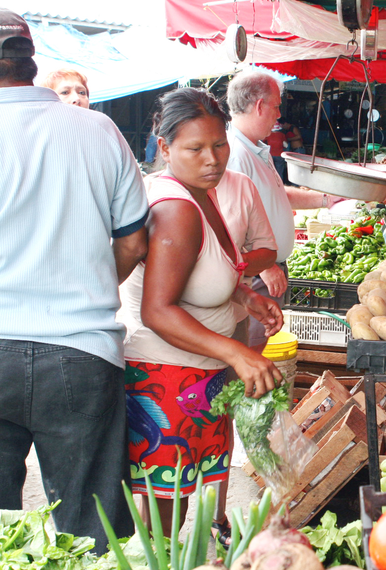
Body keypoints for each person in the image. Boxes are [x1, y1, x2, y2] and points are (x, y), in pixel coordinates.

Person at [0, 8, 148, 553]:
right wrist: (85, 285)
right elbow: (134, 241)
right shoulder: (99, 129)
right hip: (82, 351)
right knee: (91, 537)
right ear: (31, 61)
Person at [117, 87, 284, 534]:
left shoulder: (202, 194)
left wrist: (246, 297)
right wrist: (236, 353)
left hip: (198, 379)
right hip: (165, 382)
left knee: (182, 519)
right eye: (195, 148)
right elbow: (158, 310)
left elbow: (199, 279)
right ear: (165, 147)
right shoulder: (176, 209)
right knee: (162, 532)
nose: (212, 159)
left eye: (219, 144)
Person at [225, 70, 337, 350]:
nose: (278, 115)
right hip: (254, 275)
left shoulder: (254, 150)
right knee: (249, 352)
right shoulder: (235, 153)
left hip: (264, 268)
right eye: (276, 106)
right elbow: (230, 221)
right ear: (260, 105)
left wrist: (325, 199)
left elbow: (276, 196)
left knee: (256, 350)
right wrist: (266, 266)